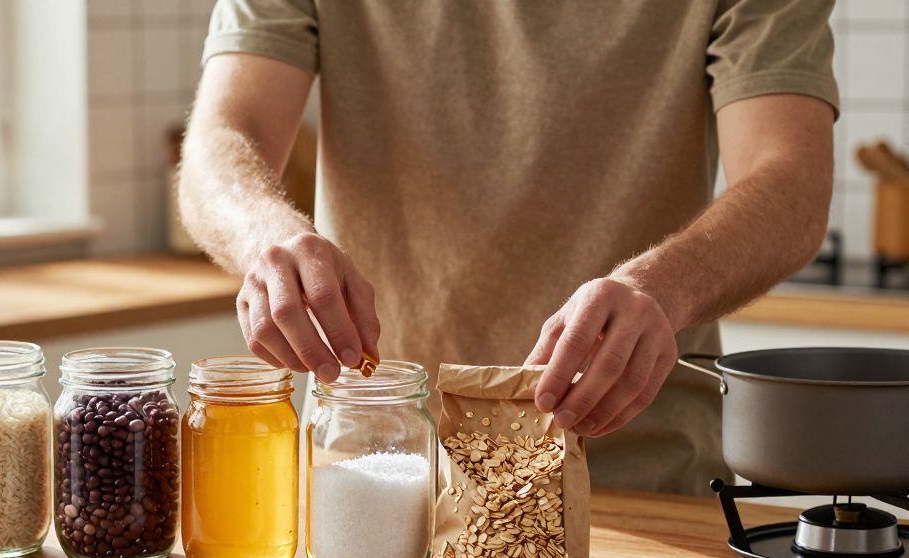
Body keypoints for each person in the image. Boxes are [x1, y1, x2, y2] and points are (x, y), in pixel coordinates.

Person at [177, 0, 837, 495]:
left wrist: (659, 287)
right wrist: (267, 234)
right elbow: (224, 135)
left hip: (637, 478)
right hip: (378, 475)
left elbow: (792, 180)